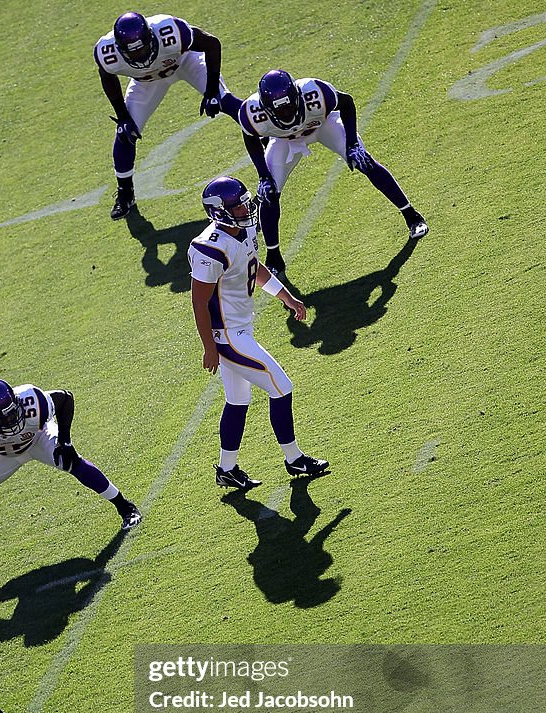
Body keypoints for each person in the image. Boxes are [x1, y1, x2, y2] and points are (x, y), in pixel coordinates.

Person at [188, 175, 329, 491]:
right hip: (227, 336)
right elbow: (199, 302)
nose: (245, 209)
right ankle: (294, 458)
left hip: (239, 329)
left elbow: (253, 266)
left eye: (243, 203)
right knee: (282, 387)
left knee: (238, 400)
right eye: (237, 206)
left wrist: (286, 296)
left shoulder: (243, 229)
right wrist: (209, 347)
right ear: (218, 211)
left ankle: (227, 469)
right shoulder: (209, 248)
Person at [0, 378, 141, 574]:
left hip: (37, 438)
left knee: (71, 461)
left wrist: (65, 442)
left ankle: (125, 507)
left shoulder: (31, 401)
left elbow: (64, 398)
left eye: (13, 412)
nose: (13, 419)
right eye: (4, 418)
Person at [236, 69, 428, 273]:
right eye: (280, 110)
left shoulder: (316, 91)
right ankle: (274, 257)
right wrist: (263, 175)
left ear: (298, 96)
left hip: (322, 126)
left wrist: (353, 143)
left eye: (290, 106)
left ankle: (412, 216)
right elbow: (250, 137)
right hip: (284, 141)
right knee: (268, 194)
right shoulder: (251, 113)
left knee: (365, 162)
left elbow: (346, 102)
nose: (287, 113)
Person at [95, 11, 230, 219]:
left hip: (183, 62)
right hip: (146, 81)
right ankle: (125, 192)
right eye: (133, 54)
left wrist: (211, 91)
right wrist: (122, 116)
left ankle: (263, 134)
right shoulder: (106, 52)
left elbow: (212, 43)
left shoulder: (171, 31)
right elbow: (107, 76)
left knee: (224, 99)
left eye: (142, 50)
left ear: (151, 37)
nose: (140, 57)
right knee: (124, 133)